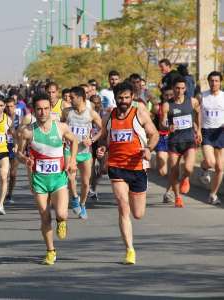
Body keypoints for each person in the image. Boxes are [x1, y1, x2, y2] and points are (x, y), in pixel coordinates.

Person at [97, 82, 159, 265]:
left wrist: (148, 148)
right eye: (120, 98)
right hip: (116, 166)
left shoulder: (139, 113)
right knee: (123, 206)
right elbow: (103, 139)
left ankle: (130, 239)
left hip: (138, 167)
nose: (123, 101)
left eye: (126, 98)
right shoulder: (109, 116)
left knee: (138, 213)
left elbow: (154, 134)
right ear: (115, 98)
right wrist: (101, 149)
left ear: (132, 97)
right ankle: (129, 250)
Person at [17, 92, 78, 265]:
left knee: (61, 213)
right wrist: (25, 159)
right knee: (44, 217)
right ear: (34, 111)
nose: (43, 112)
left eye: (45, 109)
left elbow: (74, 141)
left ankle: (62, 221)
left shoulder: (60, 127)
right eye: (39, 109)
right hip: (39, 180)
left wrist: (72, 160)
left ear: (51, 109)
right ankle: (50, 251)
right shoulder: (28, 132)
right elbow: (19, 153)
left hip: (58, 179)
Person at [160, 77, 201, 208]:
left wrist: (199, 130)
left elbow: (198, 113)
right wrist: (168, 127)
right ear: (173, 88)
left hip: (189, 140)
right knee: (173, 171)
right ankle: (177, 197)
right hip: (174, 142)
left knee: (188, 168)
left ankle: (185, 179)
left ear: (186, 89)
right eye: (177, 88)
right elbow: (163, 122)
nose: (180, 91)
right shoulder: (167, 105)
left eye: (182, 88)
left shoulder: (192, 101)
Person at [62, 87, 102, 219]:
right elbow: (61, 127)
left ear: (81, 98)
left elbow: (103, 129)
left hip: (85, 152)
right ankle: (74, 197)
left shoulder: (91, 114)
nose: (69, 100)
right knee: (70, 177)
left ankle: (83, 204)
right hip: (69, 150)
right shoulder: (67, 112)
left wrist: (92, 139)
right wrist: (62, 138)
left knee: (85, 183)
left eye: (72, 97)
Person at [198, 71, 224, 205]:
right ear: (208, 82)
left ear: (220, 82)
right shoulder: (202, 96)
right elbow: (197, 114)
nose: (214, 83)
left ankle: (213, 195)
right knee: (211, 162)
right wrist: (198, 130)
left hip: (221, 132)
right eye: (212, 81)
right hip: (207, 132)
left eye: (216, 81)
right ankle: (204, 168)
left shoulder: (223, 97)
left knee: (220, 168)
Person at [152, 86, 175, 203]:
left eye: (171, 95)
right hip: (162, 137)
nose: (169, 97)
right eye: (167, 95)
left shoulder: (179, 106)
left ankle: (169, 192)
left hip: (175, 138)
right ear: (163, 95)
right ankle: (173, 183)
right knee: (162, 171)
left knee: (173, 166)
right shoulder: (157, 107)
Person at [5, 97, 22, 204]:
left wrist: (14, 132)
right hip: (3, 147)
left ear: (15, 107)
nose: (9, 108)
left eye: (11, 106)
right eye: (7, 106)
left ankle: (9, 194)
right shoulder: (1, 117)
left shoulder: (19, 119)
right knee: (3, 173)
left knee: (13, 174)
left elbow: (21, 134)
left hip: (14, 147)